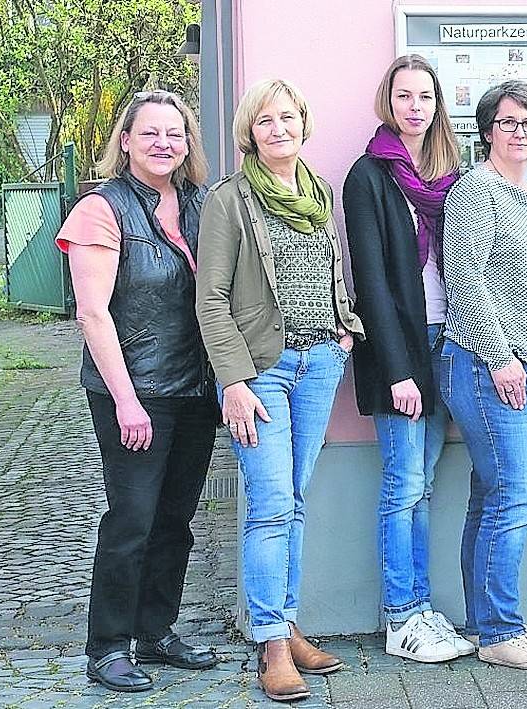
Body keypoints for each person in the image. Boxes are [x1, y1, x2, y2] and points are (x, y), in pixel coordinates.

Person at [195, 79, 361, 702]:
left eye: (287, 117)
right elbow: (210, 299)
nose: (278, 129)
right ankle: (269, 643)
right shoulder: (229, 200)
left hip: (320, 362)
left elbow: (332, 267)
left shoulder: (318, 192)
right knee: (268, 504)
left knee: (293, 499)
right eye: (265, 120)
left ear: (303, 123)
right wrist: (233, 381)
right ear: (250, 132)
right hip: (261, 369)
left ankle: (288, 626)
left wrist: (344, 331)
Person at [60, 90, 219, 693]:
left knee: (176, 519)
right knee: (132, 520)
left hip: (194, 389)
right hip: (134, 390)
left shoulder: (201, 203)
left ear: (188, 144)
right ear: (125, 141)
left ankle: (156, 631)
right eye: (149, 132)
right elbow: (93, 313)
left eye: (174, 134)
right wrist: (127, 401)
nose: (163, 143)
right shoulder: (101, 208)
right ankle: (107, 646)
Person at [342, 55, 473, 663]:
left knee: (425, 484)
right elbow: (370, 280)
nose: (414, 107)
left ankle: (421, 606)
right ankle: (401, 617)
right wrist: (397, 370)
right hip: (398, 345)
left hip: (447, 339)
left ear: (438, 103)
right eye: (404, 96)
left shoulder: (451, 174)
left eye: (425, 96)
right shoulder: (369, 175)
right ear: (387, 100)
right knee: (404, 484)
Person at [436, 80, 527, 670]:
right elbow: (467, 283)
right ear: (487, 130)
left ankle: (488, 623)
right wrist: (500, 357)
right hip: (492, 365)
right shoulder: (475, 191)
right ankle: (499, 633)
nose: (520, 132)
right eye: (509, 121)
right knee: (515, 497)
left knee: (492, 496)